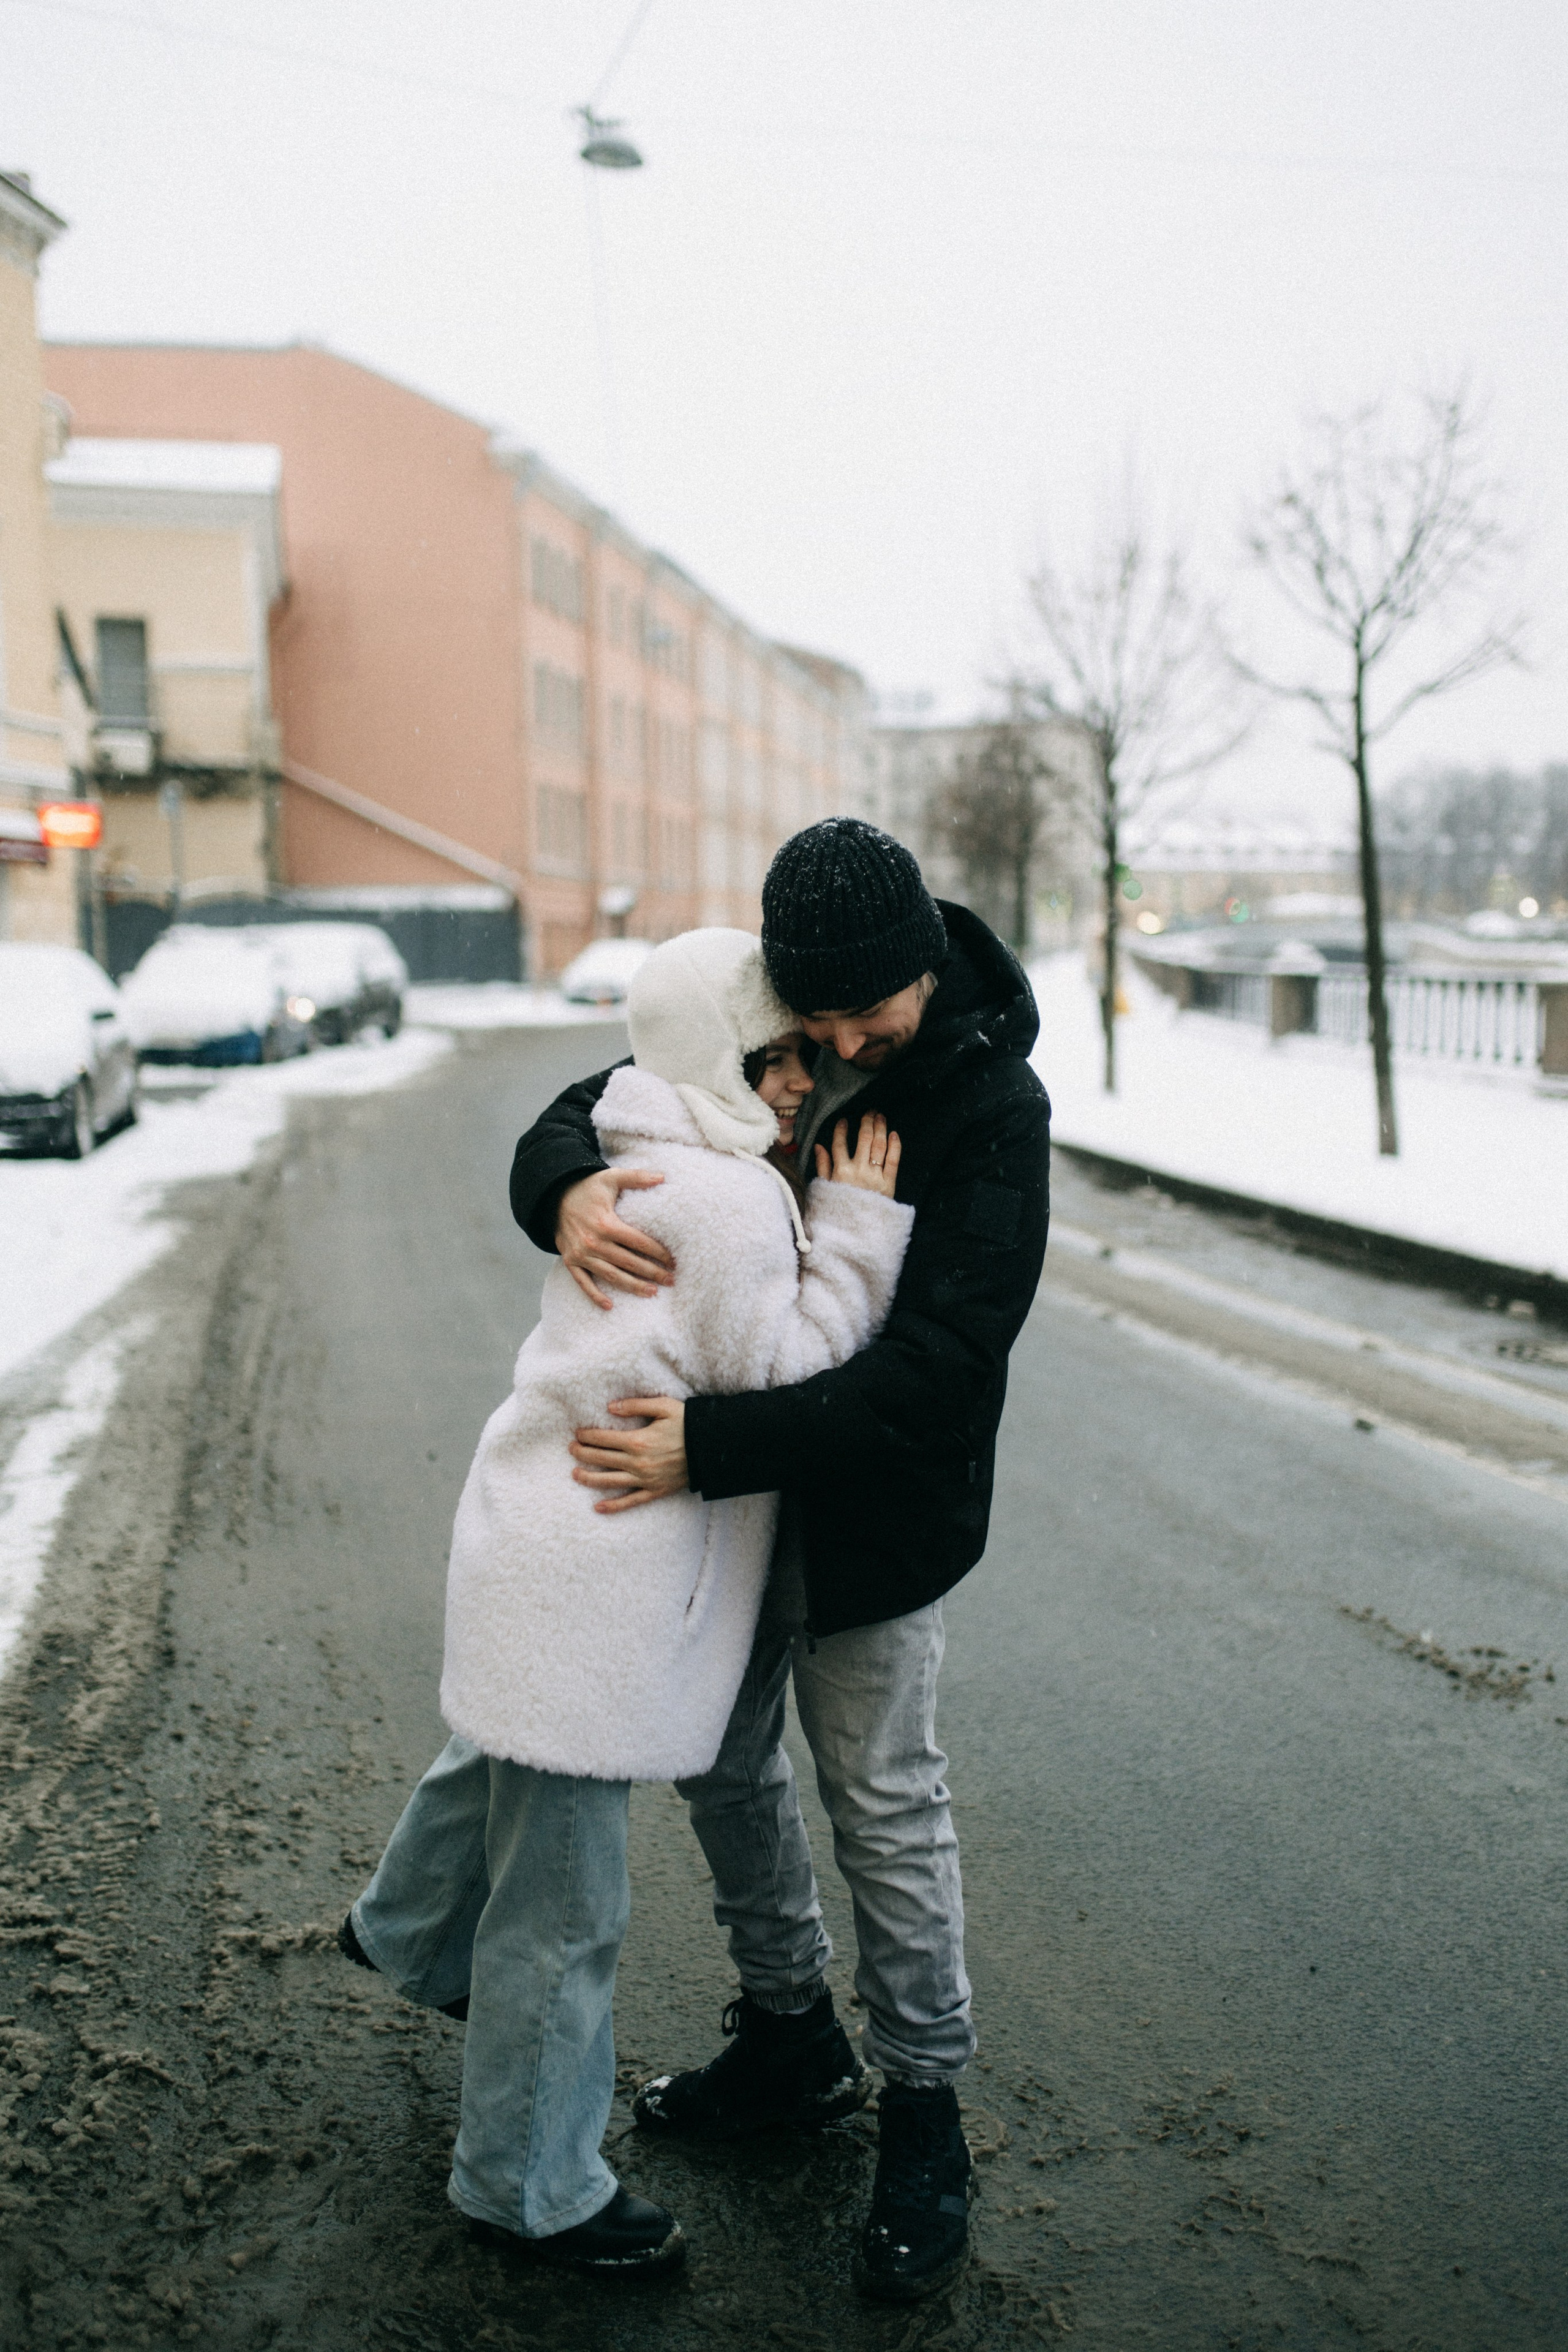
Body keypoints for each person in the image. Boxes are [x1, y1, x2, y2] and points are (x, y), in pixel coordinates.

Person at [508, 818, 1052, 2304]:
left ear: (919, 972)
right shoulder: (772, 1015)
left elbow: (941, 1369)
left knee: (880, 1798)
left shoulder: (990, 1105)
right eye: (804, 1025)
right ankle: (790, 2034)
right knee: (722, 1768)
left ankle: (922, 2107)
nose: (828, 1048)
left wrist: (712, 1445)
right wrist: (557, 1183)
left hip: (872, 1519)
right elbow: (604, 1091)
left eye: (855, 1022)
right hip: (726, 1522)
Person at [341, 927, 914, 2279]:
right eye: (774, 1061)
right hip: (595, 1581)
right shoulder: (723, 1199)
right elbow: (784, 1363)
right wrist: (856, 1233)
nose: (796, 1088)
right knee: (562, 1912)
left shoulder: (632, 1134)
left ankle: (408, 1932)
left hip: (537, 1543)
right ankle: (525, 2187)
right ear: (722, 1055)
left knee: (502, 1761)